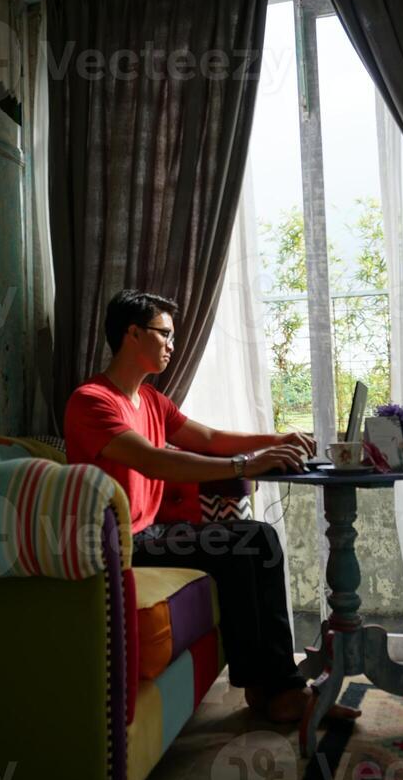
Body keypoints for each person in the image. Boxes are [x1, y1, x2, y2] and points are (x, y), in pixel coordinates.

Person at [64, 289, 359, 723]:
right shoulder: (91, 400)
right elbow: (153, 458)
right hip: (121, 543)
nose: (171, 345)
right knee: (251, 542)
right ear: (132, 334)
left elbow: (206, 439)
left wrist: (275, 440)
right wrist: (245, 463)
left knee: (257, 540)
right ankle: (278, 690)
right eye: (164, 334)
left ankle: (268, 688)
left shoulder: (150, 400)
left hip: (152, 534)